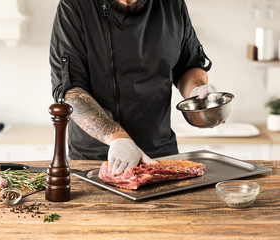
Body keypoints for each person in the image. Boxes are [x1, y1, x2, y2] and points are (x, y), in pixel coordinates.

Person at [50, 0, 212, 175]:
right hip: (95, 158)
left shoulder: (172, 4)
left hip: (161, 154)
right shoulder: (75, 5)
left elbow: (188, 65)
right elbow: (70, 90)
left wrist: (196, 91)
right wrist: (117, 139)